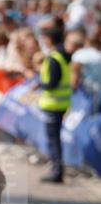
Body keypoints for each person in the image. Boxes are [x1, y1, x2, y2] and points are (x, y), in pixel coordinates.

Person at [37, 26, 72, 183]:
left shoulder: (53, 58)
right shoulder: (62, 55)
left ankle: (56, 172)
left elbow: (51, 83)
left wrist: (40, 83)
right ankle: (56, 170)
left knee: (53, 140)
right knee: (55, 139)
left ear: (49, 39)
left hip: (53, 105)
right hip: (60, 104)